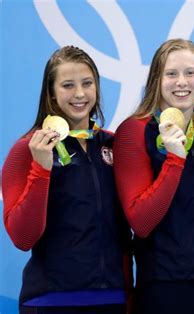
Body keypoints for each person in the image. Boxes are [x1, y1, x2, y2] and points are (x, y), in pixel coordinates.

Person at [113, 39, 194, 314]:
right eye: (171, 74)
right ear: (156, 79)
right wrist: (174, 160)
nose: (181, 82)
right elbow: (141, 222)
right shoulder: (134, 131)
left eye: (190, 73)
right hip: (166, 286)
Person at [2, 46, 133, 314]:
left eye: (87, 83)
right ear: (51, 92)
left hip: (111, 299)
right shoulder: (27, 149)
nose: (80, 94)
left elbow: (124, 230)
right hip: (51, 301)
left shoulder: (111, 144)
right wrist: (41, 168)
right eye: (67, 85)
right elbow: (22, 237)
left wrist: (128, 293)